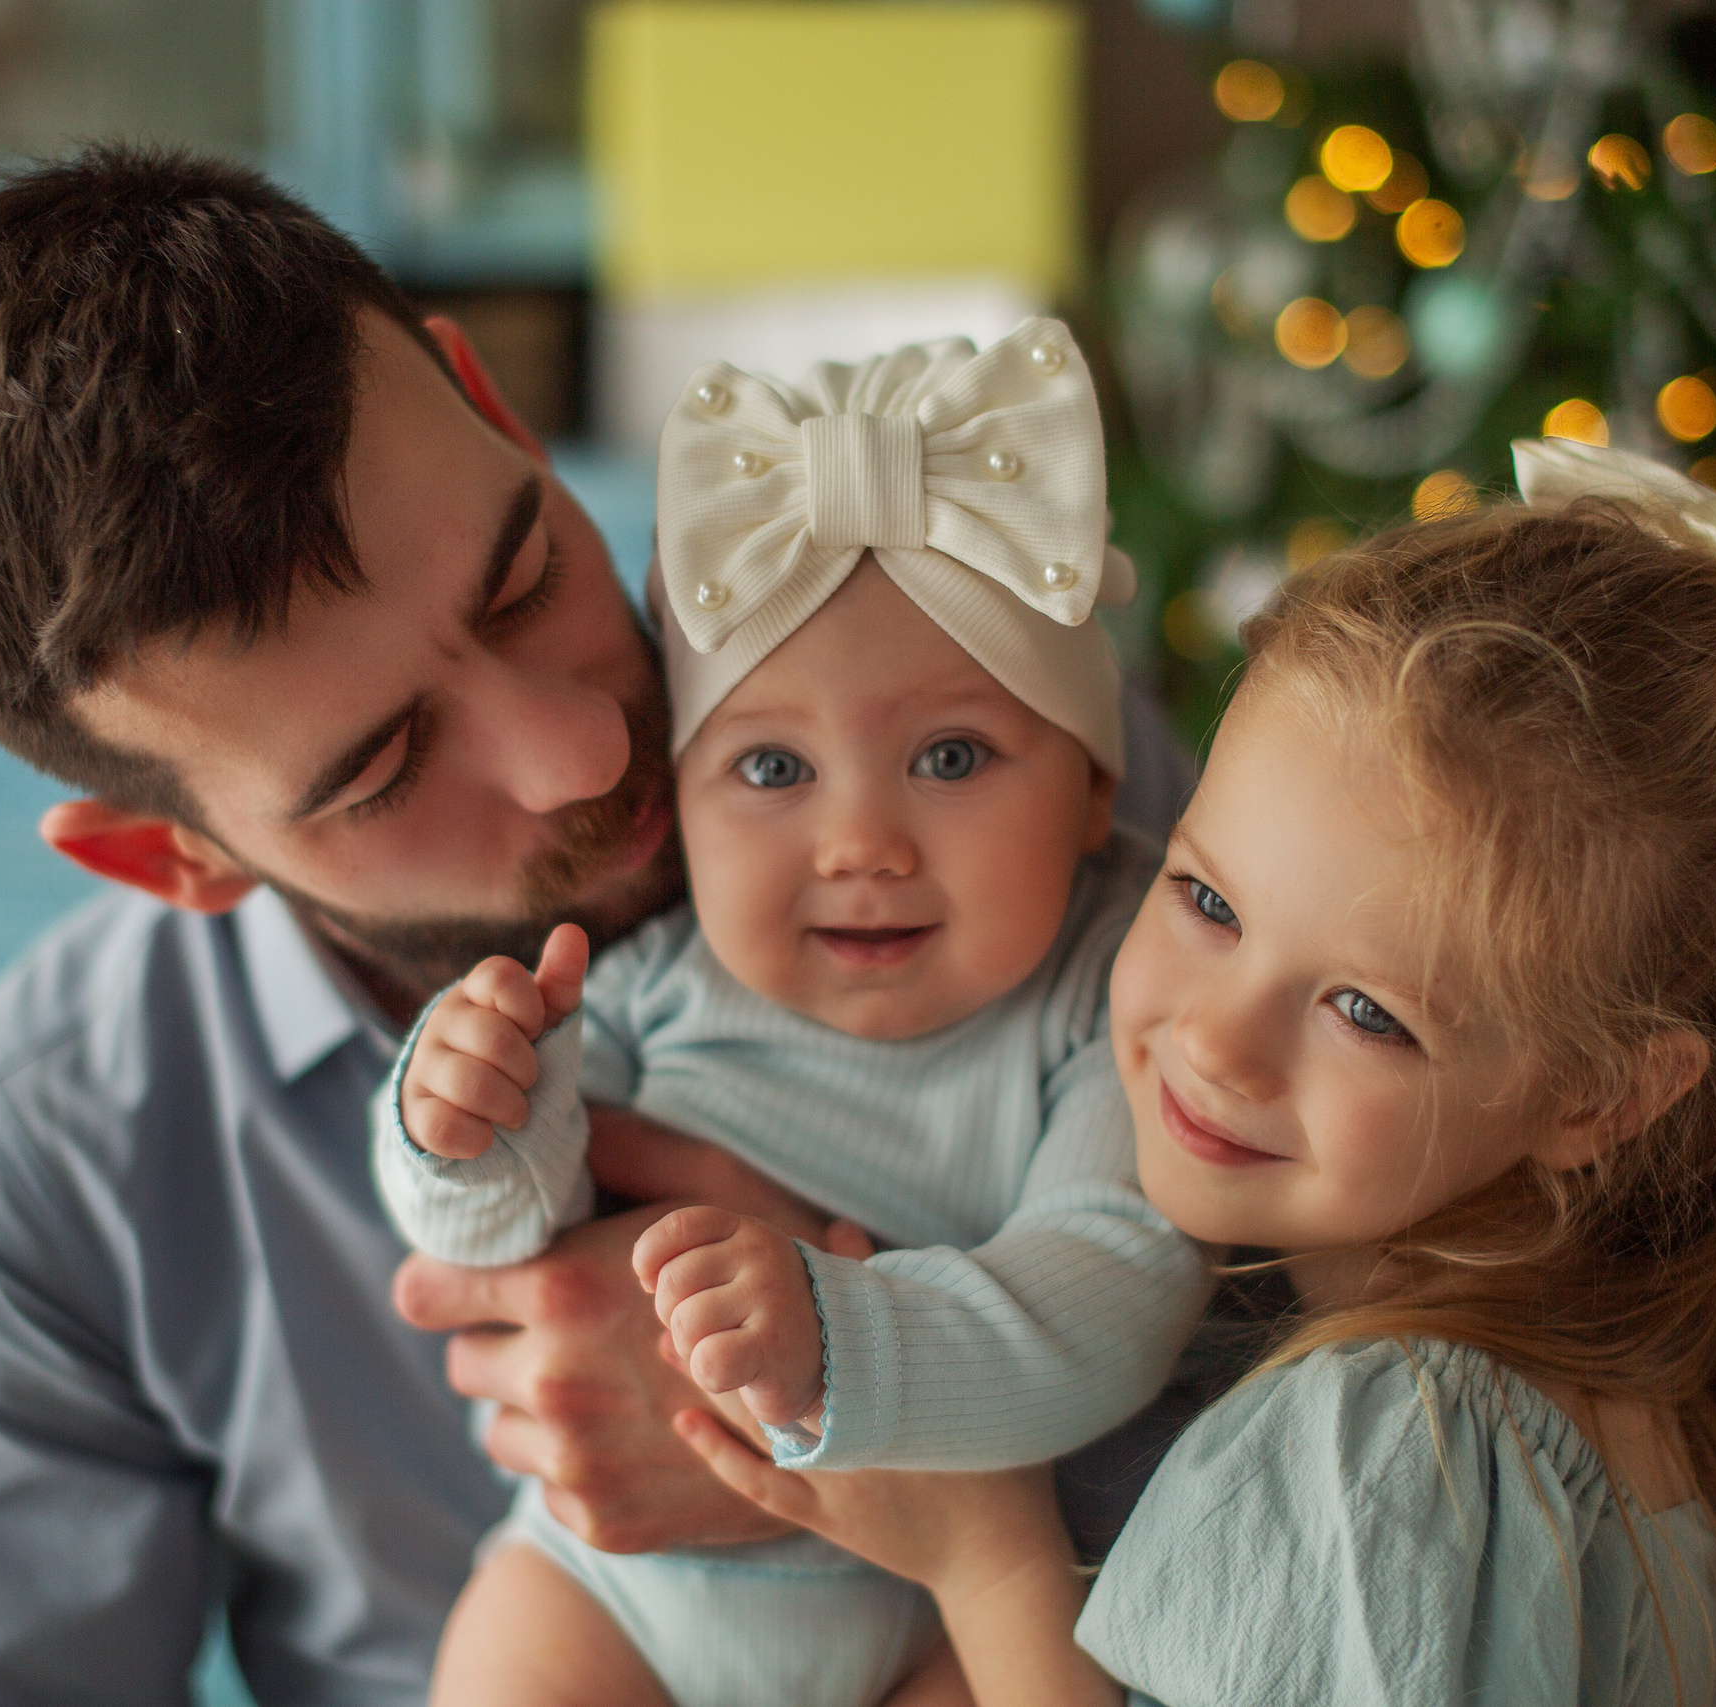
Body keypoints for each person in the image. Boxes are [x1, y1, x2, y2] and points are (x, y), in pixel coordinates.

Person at [0, 148, 1197, 1704]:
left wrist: (900, 1462)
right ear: (172, 856)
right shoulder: (43, 1157)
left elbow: (1394, 1367)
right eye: (386, 768)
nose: (585, 751)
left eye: (525, 576)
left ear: (488, 400)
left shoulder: (994, 734)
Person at [667, 439, 1716, 1706]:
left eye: (1365, 1012)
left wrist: (987, 1558)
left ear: (1600, 1097)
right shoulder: (1661, 1443)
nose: (1215, 1040)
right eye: (1206, 902)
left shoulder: (1393, 1459)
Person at [377, 326, 1213, 1707]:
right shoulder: (652, 982)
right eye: (771, 764)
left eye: (952, 756)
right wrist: (464, 1122)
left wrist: (841, 1336)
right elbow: (508, 1230)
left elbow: (1115, 1292)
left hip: (931, 1612)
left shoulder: (1102, 991)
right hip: (614, 1603)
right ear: (680, 807)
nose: (860, 841)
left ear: (1089, 793)